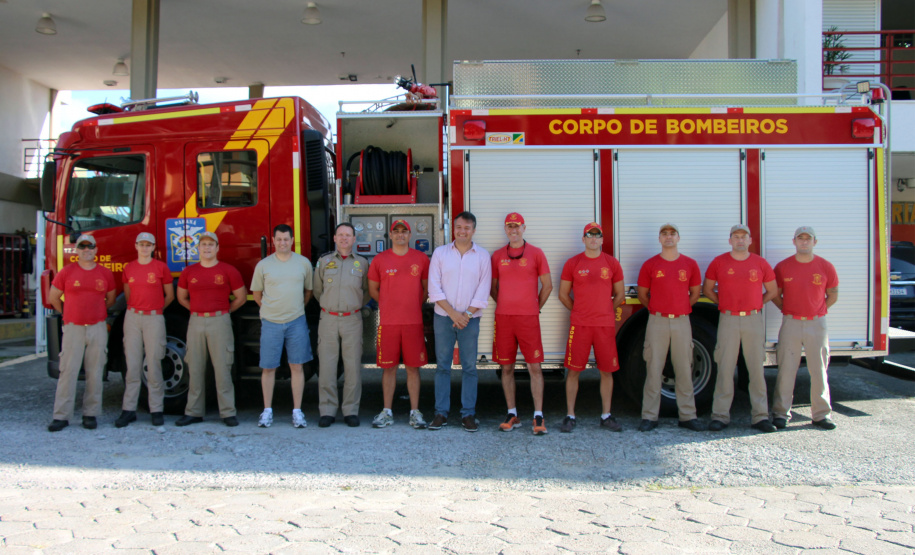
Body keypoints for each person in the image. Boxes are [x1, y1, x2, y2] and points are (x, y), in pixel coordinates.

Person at [703, 224, 778, 433]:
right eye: (736, 237)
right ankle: (720, 416)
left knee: (756, 369)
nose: (740, 240)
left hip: (753, 319)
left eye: (744, 236)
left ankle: (760, 416)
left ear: (750, 240)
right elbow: (707, 289)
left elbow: (772, 290)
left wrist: (757, 303)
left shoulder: (760, 263)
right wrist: (723, 303)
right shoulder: (719, 262)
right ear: (730, 241)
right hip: (728, 319)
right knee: (725, 368)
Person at [637, 223, 705, 432]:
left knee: (684, 368)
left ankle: (687, 416)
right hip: (657, 321)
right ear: (659, 239)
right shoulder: (650, 265)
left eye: (672, 233)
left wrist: (680, 309)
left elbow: (695, 293)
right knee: (654, 368)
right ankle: (649, 416)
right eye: (664, 234)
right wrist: (657, 309)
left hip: (682, 322)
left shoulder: (690, 264)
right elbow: (642, 295)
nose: (668, 237)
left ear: (678, 238)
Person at [557, 222, 625, 433]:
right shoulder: (573, 263)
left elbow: (620, 294)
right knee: (574, 371)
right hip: (580, 325)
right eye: (589, 235)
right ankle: (570, 415)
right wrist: (579, 311)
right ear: (583, 239)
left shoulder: (612, 263)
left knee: (606, 371)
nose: (593, 239)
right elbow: (563, 294)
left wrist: (605, 310)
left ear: (602, 239)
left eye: (597, 235)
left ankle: (606, 415)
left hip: (604, 325)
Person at [427, 212, 491, 432]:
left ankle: (468, 414)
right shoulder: (440, 253)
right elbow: (434, 288)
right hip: (443, 318)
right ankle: (440, 413)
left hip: (470, 320)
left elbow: (483, 290)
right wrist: (454, 314)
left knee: (470, 367)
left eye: (467, 227)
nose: (462, 231)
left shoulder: (482, 256)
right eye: (459, 227)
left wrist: (466, 315)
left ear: (474, 230)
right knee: (442, 366)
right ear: (453, 229)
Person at [175, 231, 246, 427]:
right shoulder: (189, 272)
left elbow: (240, 297)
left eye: (211, 244)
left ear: (217, 248)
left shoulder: (228, 270)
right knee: (195, 368)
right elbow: (181, 297)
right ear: (198, 248)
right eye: (203, 244)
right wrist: (197, 310)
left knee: (223, 368)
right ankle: (193, 412)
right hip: (196, 322)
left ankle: (228, 412)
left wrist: (223, 312)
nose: (207, 248)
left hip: (220, 322)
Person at [771, 226, 839, 430]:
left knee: (818, 370)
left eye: (808, 238)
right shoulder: (783, 267)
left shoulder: (825, 267)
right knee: (786, 370)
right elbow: (775, 294)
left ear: (814, 242)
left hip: (817, 324)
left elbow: (833, 294)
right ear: (794, 241)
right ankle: (781, 413)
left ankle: (821, 414)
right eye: (800, 238)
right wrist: (788, 309)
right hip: (791, 323)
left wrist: (817, 310)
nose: (804, 242)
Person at [491, 212, 553, 435]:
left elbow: (547, 285)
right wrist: (504, 304)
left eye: (517, 226)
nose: (513, 230)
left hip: (528, 319)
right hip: (504, 319)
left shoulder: (536, 253)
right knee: (506, 368)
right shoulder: (498, 256)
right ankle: (512, 413)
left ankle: (538, 415)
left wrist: (535, 307)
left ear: (524, 228)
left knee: (534, 367)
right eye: (509, 226)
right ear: (505, 229)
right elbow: (492, 287)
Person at [47, 234, 116, 432]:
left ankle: (90, 414)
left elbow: (111, 299)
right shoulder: (66, 272)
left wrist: (95, 313)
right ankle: (61, 416)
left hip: (97, 328)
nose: (87, 250)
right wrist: (69, 313)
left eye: (90, 246)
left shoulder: (105, 273)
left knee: (95, 372)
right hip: (73, 328)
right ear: (76, 250)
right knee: (68, 371)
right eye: (82, 246)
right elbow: (53, 297)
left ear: (96, 250)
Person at [368, 219, 430, 429]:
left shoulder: (421, 259)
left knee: (413, 369)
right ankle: (387, 411)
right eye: (397, 231)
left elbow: (426, 289)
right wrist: (389, 305)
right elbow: (373, 290)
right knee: (389, 368)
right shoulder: (380, 260)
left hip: (413, 322)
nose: (400, 234)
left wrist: (412, 305)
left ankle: (415, 412)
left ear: (410, 235)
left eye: (404, 231)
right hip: (389, 323)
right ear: (391, 235)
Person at [250, 224, 314, 429]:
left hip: (297, 322)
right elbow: (257, 294)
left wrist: (296, 309)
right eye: (279, 239)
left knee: (297, 366)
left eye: (286, 239)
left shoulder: (303, 263)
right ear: (273, 241)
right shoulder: (263, 265)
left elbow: (308, 291)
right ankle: (267, 411)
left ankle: (297, 411)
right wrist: (271, 310)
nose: (282, 243)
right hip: (271, 323)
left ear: (292, 240)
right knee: (268, 367)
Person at [314, 222, 370, 428]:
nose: (344, 238)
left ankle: (350, 410)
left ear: (354, 239)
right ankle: (327, 411)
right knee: (327, 367)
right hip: (328, 319)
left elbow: (367, 291)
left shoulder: (362, 263)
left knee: (352, 367)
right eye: (341, 235)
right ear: (335, 238)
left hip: (352, 319)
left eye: (348, 235)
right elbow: (318, 290)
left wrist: (353, 306)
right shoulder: (324, 262)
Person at [116, 232, 174, 428]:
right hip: (132, 317)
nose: (144, 248)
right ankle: (128, 410)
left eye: (148, 245)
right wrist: (138, 309)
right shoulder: (129, 268)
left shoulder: (160, 268)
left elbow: (169, 295)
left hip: (154, 318)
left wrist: (155, 310)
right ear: (136, 246)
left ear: (153, 247)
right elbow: (128, 294)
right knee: (132, 365)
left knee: (154, 363)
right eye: (141, 244)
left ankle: (156, 409)